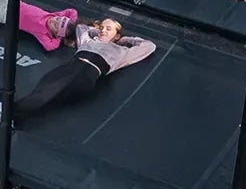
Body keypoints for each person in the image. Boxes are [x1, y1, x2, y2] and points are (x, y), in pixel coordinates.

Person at [17, 16, 159, 116]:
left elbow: (149, 46)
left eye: (108, 29)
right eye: (102, 27)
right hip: (70, 68)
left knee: (47, 97)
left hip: (86, 75)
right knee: (41, 92)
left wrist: (124, 40)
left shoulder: (122, 53)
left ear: (116, 35)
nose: (103, 30)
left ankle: (10, 112)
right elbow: (81, 27)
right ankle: (13, 110)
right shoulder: (87, 41)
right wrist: (98, 32)